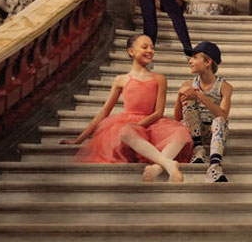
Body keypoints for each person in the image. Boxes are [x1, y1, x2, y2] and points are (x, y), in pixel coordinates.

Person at [64, 35, 193, 183]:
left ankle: (158, 167)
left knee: (181, 132)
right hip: (129, 124)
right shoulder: (121, 80)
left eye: (152, 47)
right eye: (145, 47)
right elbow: (104, 113)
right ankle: (168, 164)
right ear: (131, 51)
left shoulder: (159, 78)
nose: (150, 50)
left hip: (152, 123)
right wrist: (78, 140)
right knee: (125, 131)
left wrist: (140, 125)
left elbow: (159, 112)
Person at [176, 41, 235, 183]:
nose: (190, 61)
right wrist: (179, 96)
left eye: (195, 57)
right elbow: (177, 118)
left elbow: (223, 115)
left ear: (208, 61)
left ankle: (214, 166)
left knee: (220, 121)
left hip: (214, 130)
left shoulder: (224, 86)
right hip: (194, 130)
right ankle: (198, 149)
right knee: (188, 101)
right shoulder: (188, 84)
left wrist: (199, 96)